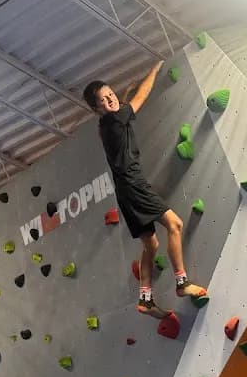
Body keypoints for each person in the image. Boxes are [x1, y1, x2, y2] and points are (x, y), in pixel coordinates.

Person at [83, 62, 207, 318]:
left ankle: (145, 298)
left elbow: (122, 110)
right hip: (134, 185)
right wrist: (155, 68)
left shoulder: (105, 126)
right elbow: (142, 97)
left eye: (111, 95)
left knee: (151, 246)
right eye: (104, 101)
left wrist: (122, 96)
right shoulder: (116, 118)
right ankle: (182, 283)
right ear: (97, 109)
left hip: (124, 192)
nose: (111, 100)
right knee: (175, 225)